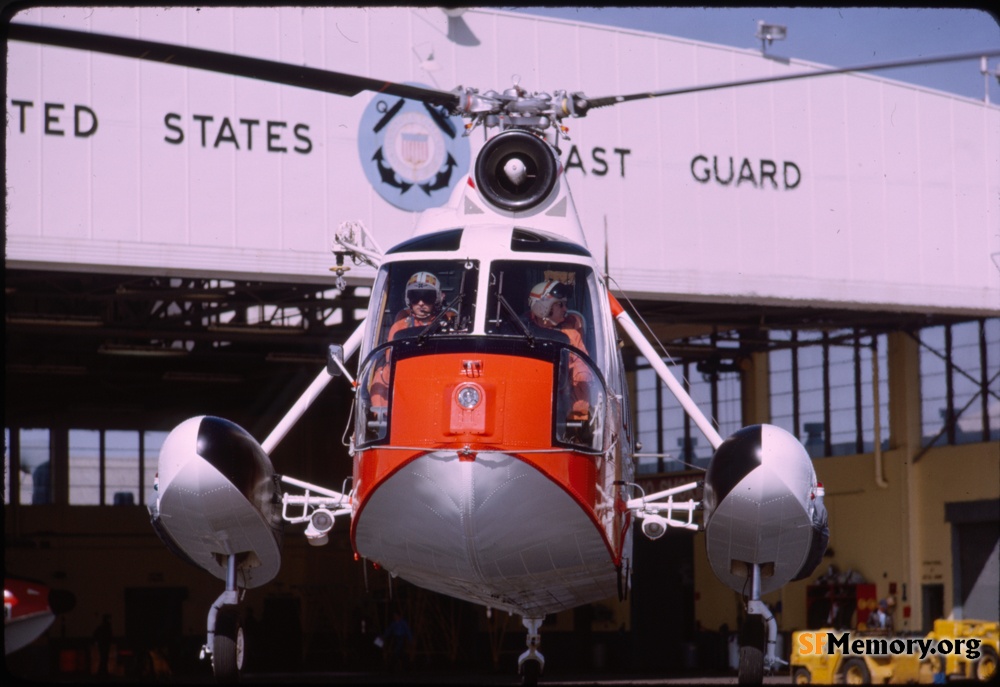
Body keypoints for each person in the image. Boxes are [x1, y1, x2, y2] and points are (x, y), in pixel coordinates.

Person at [369, 271, 452, 407]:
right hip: (407, 380)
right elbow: (391, 360)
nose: (420, 303)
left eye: (427, 297)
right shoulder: (400, 327)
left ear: (436, 299)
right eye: (415, 297)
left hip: (438, 380)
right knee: (382, 374)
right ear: (409, 300)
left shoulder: (449, 326)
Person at [526, 279, 593, 423]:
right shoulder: (520, 331)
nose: (565, 309)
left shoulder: (571, 336)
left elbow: (582, 373)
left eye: (566, 305)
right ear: (543, 306)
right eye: (560, 304)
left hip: (558, 409)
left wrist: (578, 415)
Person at [381, 608, 413, 673]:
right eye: (394, 616)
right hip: (396, 638)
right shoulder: (394, 623)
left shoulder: (403, 622)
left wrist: (410, 639)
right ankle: (406, 666)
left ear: (399, 616)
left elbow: (407, 631)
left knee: (397, 652)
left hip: (401, 638)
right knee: (401, 653)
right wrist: (383, 637)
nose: (395, 617)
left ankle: (391, 667)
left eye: (396, 615)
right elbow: (389, 630)